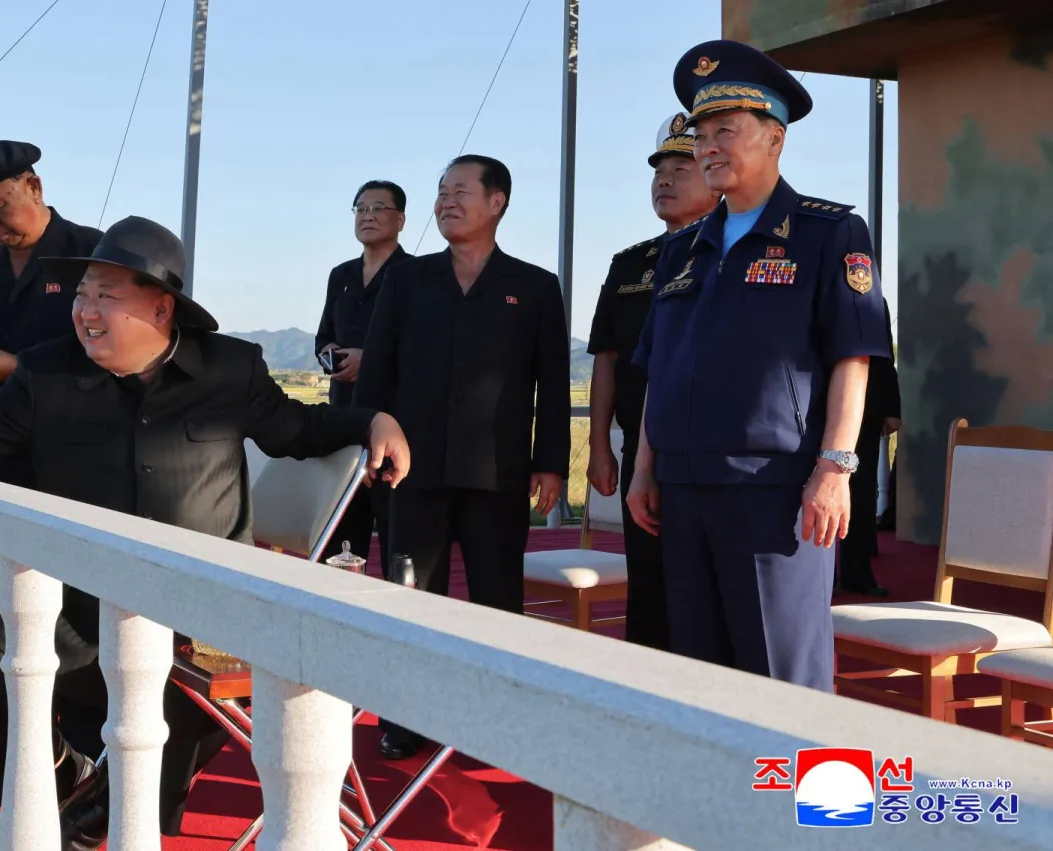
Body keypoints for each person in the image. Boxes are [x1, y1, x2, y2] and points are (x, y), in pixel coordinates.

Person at [0, 216, 411, 850]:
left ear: (161, 308)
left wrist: (373, 422)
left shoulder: (229, 369)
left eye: (105, 296)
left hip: (203, 615)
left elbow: (298, 431)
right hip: (79, 604)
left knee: (185, 706)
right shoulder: (47, 372)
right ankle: (65, 782)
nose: (85, 311)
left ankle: (99, 817)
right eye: (82, 294)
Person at [628, 40, 892, 692]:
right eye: (701, 135)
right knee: (703, 679)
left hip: (774, 493)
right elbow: (659, 366)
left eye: (726, 130)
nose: (708, 147)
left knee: (784, 679)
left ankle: (814, 772)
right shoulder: (682, 250)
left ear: (775, 138)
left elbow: (853, 356)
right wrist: (643, 469)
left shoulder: (829, 233)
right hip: (682, 491)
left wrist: (835, 468)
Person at [354, 154, 569, 759]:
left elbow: (552, 383)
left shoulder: (534, 286)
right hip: (411, 470)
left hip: (497, 473)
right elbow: (377, 370)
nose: (446, 202)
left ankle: (496, 719)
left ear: (497, 202)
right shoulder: (407, 279)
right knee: (409, 597)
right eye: (441, 192)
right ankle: (406, 717)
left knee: (497, 601)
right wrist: (365, 440)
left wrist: (550, 462)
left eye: (460, 192)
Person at [0, 139, 102, 629]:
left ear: (34, 187)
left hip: (72, 460)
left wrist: (16, 367)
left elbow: (110, 354)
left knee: (73, 607)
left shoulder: (93, 251)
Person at [586, 112, 718, 651]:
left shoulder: (730, 252)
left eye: (680, 170)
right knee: (648, 577)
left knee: (702, 583)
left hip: (706, 448)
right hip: (640, 448)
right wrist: (599, 445)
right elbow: (606, 359)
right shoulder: (629, 264)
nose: (665, 181)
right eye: (659, 172)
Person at [313, 179, 412, 560]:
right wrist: (330, 355)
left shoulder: (416, 275)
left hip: (395, 425)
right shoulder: (340, 275)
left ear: (400, 220)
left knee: (396, 544)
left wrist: (367, 360)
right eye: (361, 209)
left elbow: (423, 348)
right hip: (344, 420)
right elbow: (324, 336)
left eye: (378, 208)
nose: (367, 216)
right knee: (338, 543)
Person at [839, 302, 901, 596]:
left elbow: (883, 353)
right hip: (809, 403)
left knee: (861, 491)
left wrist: (891, 407)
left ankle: (857, 573)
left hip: (864, 405)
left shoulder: (868, 294)